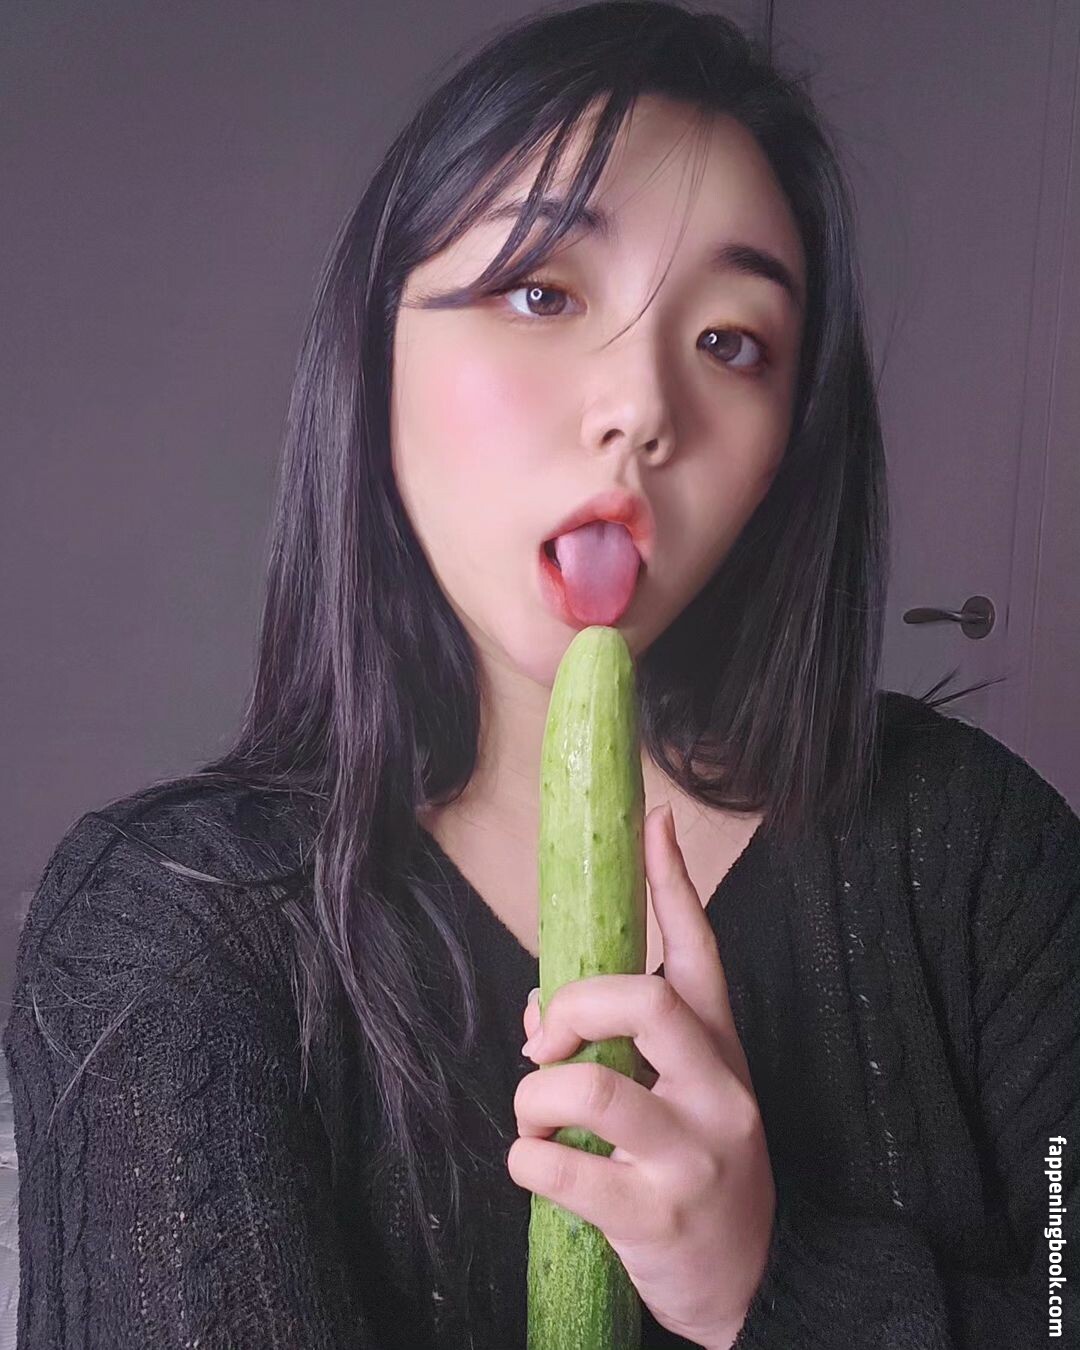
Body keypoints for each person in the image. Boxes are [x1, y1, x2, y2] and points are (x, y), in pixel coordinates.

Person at [3, 2, 1077, 1346]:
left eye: (732, 341)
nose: (644, 408)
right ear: (376, 348)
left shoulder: (982, 848)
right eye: (542, 291)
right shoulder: (167, 929)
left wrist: (779, 1285)